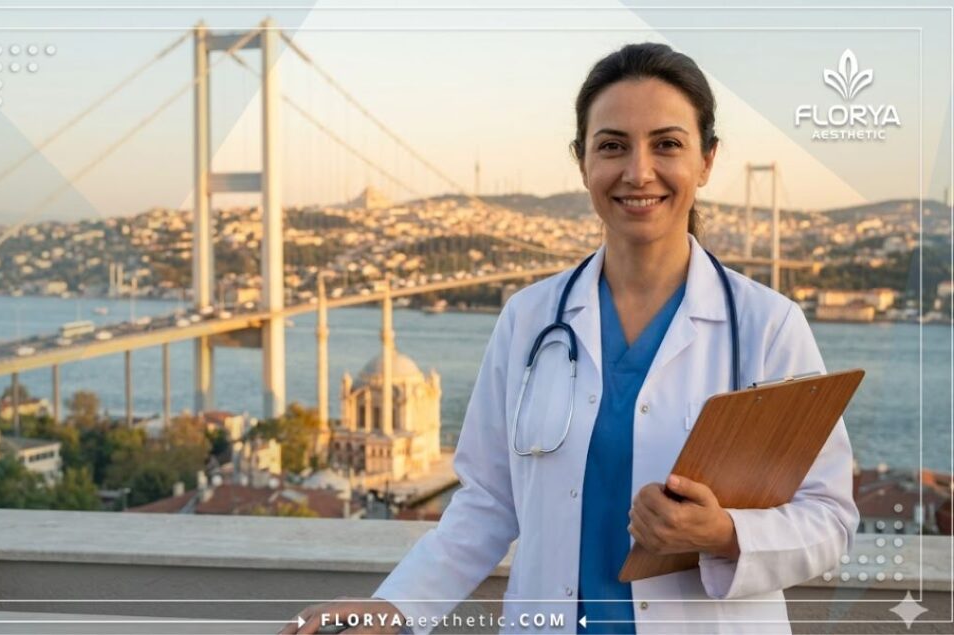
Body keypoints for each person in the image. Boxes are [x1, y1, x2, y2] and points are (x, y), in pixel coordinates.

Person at [281, 42, 859, 635]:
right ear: (582, 161)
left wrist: (725, 534)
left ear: (707, 161)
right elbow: (487, 501)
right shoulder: (529, 319)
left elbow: (830, 519)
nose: (638, 172)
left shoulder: (768, 325)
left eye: (667, 144)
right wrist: (396, 605)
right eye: (612, 145)